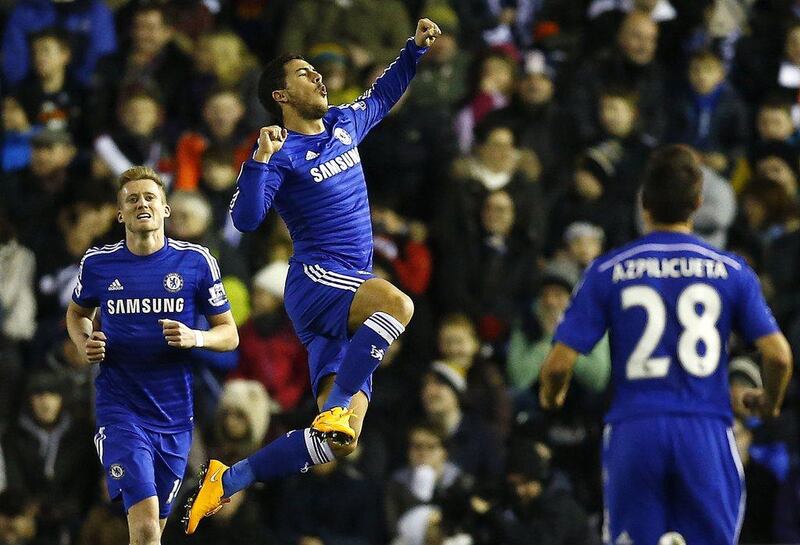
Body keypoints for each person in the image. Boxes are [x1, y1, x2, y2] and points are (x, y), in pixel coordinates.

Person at [183, 18, 442, 534]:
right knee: (399, 305)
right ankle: (337, 404)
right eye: (305, 72)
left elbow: (383, 94)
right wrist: (258, 159)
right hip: (319, 279)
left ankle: (227, 480)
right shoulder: (278, 157)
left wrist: (412, 50)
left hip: (343, 293)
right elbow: (247, 220)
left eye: (318, 71)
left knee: (334, 441)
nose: (319, 77)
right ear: (281, 94)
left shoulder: (345, 123)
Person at [539, 144, 793, 545]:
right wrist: (771, 402)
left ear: (644, 203)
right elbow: (778, 355)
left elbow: (556, 366)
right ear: (696, 203)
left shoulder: (607, 270)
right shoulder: (731, 270)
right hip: (705, 427)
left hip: (634, 430)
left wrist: (552, 397)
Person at [65, 166, 239, 545]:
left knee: (151, 533)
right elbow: (77, 313)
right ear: (120, 214)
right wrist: (84, 342)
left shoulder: (196, 261)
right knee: (144, 526)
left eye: (149, 197)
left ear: (164, 210)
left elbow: (230, 335)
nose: (141, 202)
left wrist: (196, 337)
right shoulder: (98, 263)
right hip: (120, 409)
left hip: (174, 416)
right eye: (132, 199)